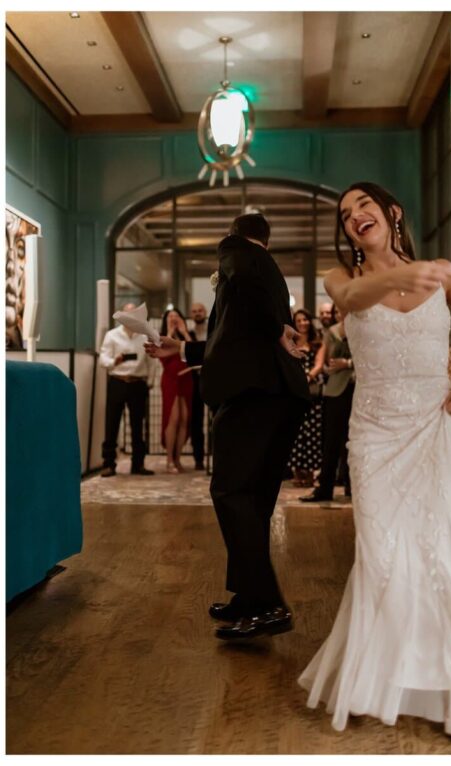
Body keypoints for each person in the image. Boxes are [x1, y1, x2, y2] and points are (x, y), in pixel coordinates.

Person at [299, 182, 451, 739]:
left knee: (450, 549)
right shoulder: (341, 278)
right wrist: (398, 276)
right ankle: (384, 678)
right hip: (376, 438)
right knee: (385, 557)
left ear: (392, 212)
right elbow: (350, 299)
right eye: (345, 214)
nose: (354, 216)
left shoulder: (444, 278)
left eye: (363, 205)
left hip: (437, 427)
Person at [146, 213, 309, 641]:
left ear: (235, 237)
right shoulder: (270, 274)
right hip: (280, 394)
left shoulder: (237, 255)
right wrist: (183, 348)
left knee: (231, 492)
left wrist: (275, 329)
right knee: (252, 500)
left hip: (254, 393)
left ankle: (268, 604)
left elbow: (252, 316)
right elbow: (235, 335)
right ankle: (250, 597)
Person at [301, 306, 354, 502]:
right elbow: (327, 361)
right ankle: (325, 488)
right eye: (338, 311)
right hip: (334, 391)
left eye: (344, 309)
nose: (341, 313)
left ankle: (352, 486)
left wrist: (347, 364)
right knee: (330, 441)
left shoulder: (363, 327)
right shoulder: (332, 332)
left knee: (353, 441)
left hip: (357, 388)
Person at [98, 304, 154, 477]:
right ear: (122, 315)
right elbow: (103, 359)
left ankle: (138, 464)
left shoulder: (145, 335)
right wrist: (114, 361)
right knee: (112, 423)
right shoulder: (112, 335)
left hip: (138, 383)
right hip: (118, 381)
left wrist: (150, 382)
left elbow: (152, 361)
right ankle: (108, 464)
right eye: (128, 312)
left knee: (138, 425)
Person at [286, 308, 324, 487]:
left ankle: (310, 473)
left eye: (305, 320)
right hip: (293, 392)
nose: (303, 323)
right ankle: (296, 472)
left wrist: (307, 378)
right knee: (295, 431)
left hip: (312, 393)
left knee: (313, 434)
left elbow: (319, 365)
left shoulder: (317, 343)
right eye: (299, 320)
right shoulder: (289, 342)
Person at [158, 308, 193, 473]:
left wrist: (184, 333)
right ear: (165, 320)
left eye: (176, 316)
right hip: (171, 379)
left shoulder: (186, 336)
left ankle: (178, 458)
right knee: (173, 418)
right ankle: (169, 460)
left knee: (184, 419)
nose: (173, 318)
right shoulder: (161, 336)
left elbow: (194, 353)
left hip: (187, 379)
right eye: (170, 316)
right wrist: (170, 333)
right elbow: (162, 357)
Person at [187, 302, 208, 470]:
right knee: (196, 420)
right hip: (194, 380)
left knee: (218, 418)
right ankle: (198, 458)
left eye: (200, 310)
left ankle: (217, 455)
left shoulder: (213, 330)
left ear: (205, 312)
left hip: (214, 378)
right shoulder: (189, 333)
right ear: (191, 315)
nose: (197, 313)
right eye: (194, 311)